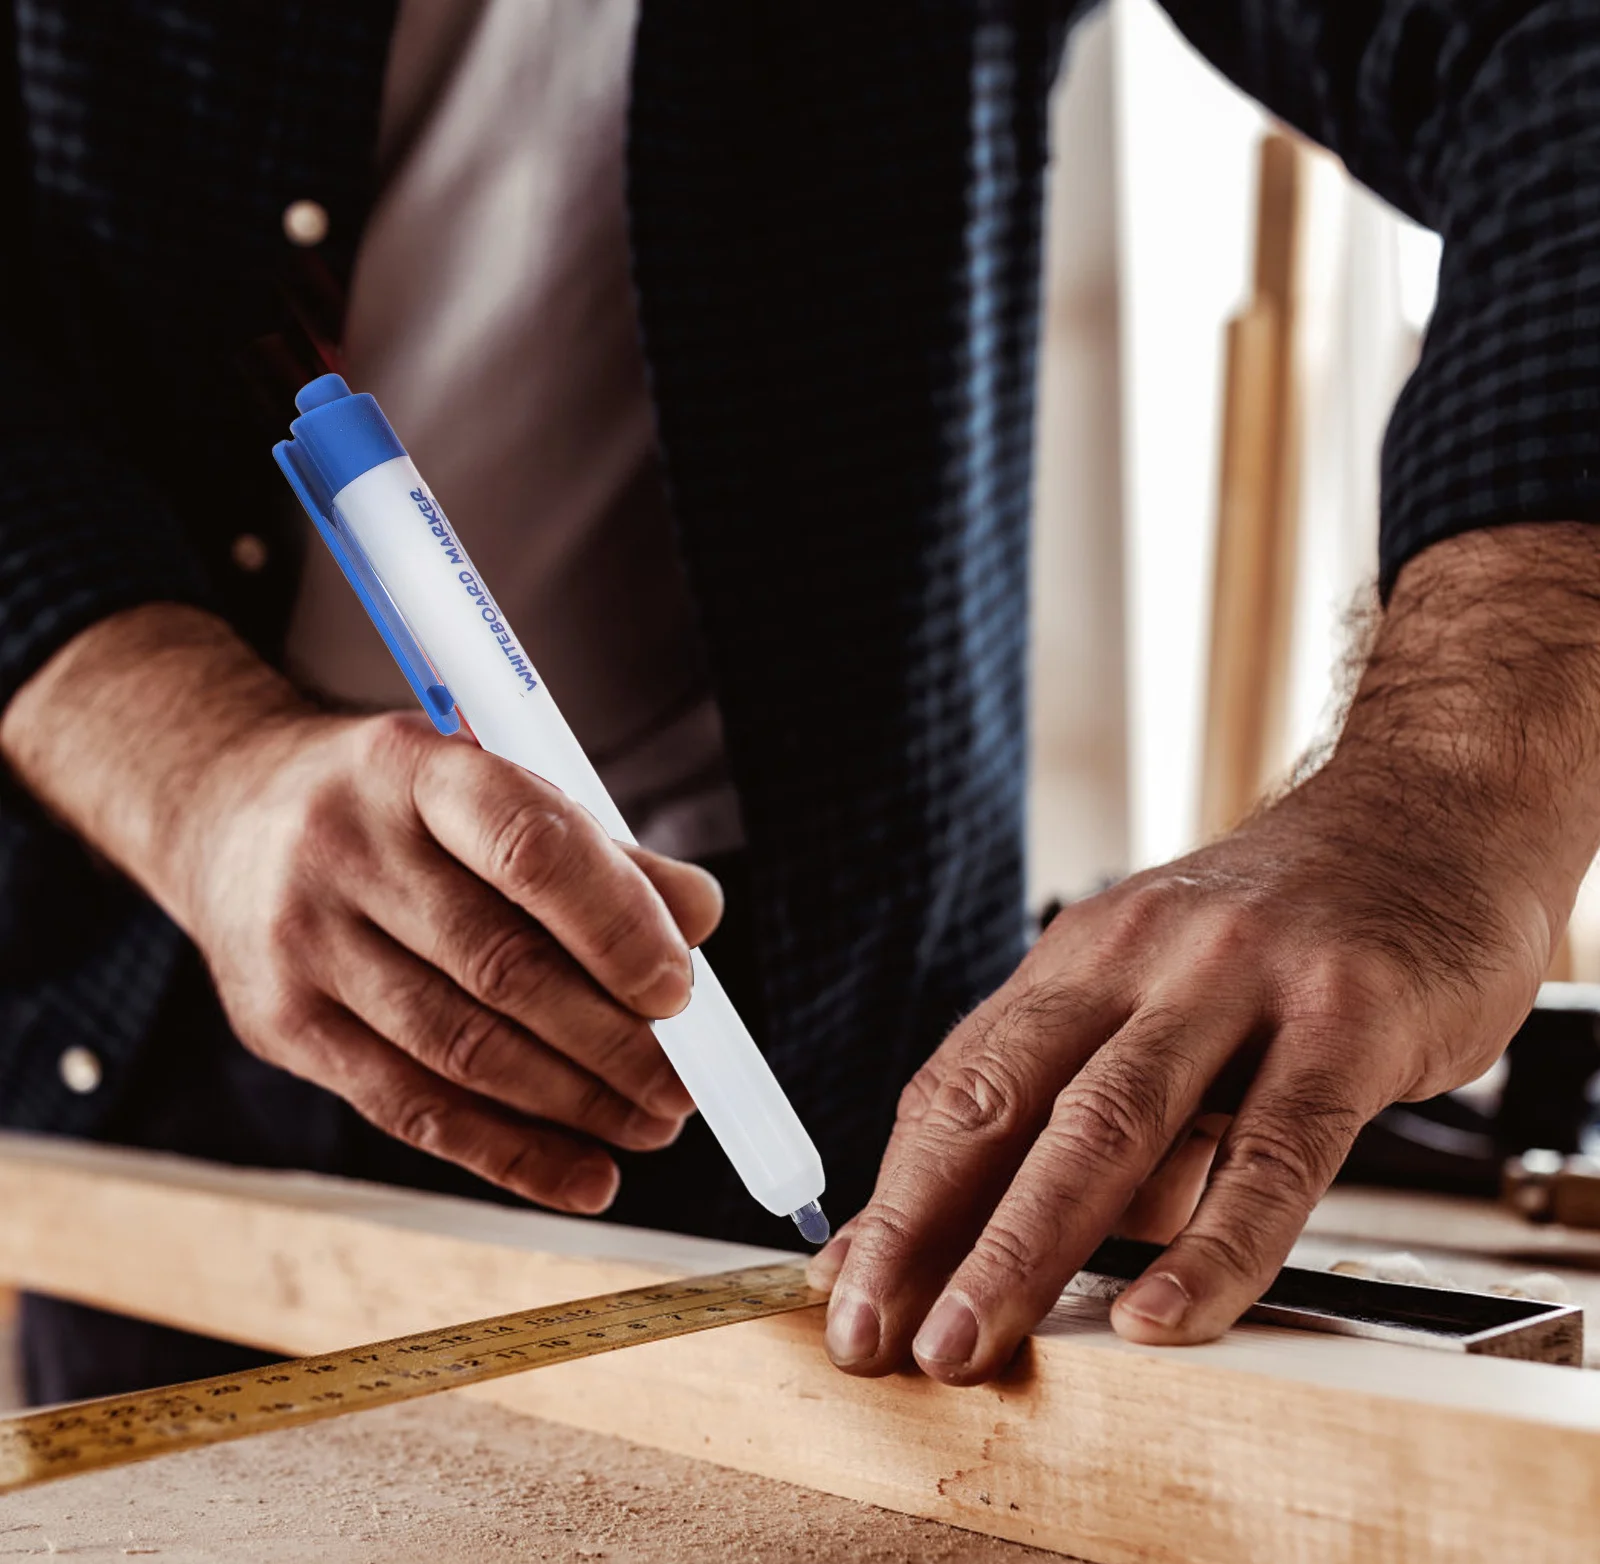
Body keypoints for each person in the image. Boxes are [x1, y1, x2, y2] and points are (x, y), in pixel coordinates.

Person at [3, 2, 1598, 1404]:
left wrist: (1453, 796)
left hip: (852, 1009)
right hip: (173, 1013)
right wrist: (189, 767)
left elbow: (1553, 55)